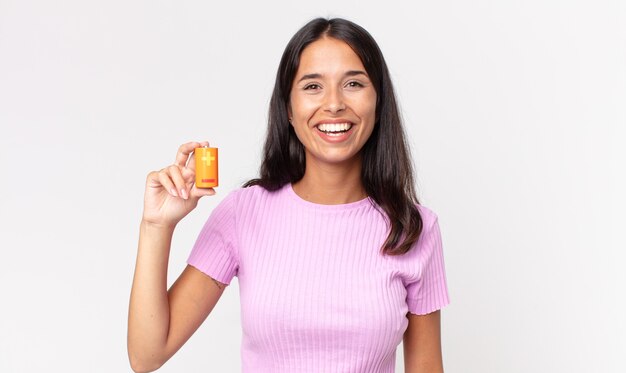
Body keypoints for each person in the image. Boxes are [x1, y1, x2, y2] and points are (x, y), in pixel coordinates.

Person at [128, 17, 450, 373]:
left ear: (378, 102)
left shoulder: (414, 228)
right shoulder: (243, 213)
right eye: (313, 86)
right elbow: (147, 355)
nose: (334, 104)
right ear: (288, 109)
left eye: (354, 83)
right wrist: (156, 225)